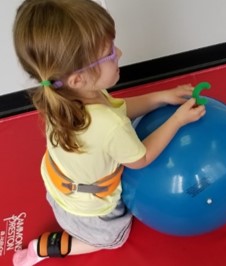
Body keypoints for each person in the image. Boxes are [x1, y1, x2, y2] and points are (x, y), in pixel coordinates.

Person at [12, 0, 206, 265]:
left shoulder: (63, 95)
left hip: (59, 189)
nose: (121, 53)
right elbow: (142, 158)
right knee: (115, 240)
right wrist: (178, 121)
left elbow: (120, 108)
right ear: (78, 79)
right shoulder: (108, 126)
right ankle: (44, 248)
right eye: (110, 53)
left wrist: (161, 97)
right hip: (92, 213)